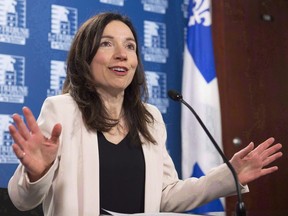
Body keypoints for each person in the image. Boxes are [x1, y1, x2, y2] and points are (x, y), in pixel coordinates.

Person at [8, 12, 282, 216]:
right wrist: (37, 174)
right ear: (84, 57)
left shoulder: (149, 118)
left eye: (130, 46)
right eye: (106, 44)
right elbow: (22, 200)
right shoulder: (61, 110)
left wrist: (228, 176)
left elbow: (165, 195)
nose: (122, 54)